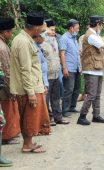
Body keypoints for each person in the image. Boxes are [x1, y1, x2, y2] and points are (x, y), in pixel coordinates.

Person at [10, 12, 50, 153]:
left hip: (33, 85)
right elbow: (25, 70)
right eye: (42, 28)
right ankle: (27, 145)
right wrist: (31, 93)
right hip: (28, 88)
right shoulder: (23, 42)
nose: (43, 31)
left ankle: (29, 143)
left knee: (32, 116)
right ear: (37, 28)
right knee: (29, 117)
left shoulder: (25, 39)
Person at [42, 19, 69, 125]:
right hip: (47, 74)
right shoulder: (42, 39)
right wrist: (45, 32)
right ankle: (49, 118)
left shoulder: (55, 40)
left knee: (56, 97)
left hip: (56, 72)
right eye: (51, 29)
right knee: (46, 99)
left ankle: (58, 117)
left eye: (54, 30)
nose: (53, 32)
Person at [0, 17, 21, 146]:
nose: (12, 34)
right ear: (5, 32)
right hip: (4, 85)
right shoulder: (2, 47)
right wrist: (11, 89)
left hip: (3, 83)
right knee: (8, 110)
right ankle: (7, 136)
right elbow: (7, 70)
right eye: (11, 32)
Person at [59, 19, 81, 117]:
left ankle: (72, 107)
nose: (78, 30)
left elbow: (76, 53)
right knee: (68, 89)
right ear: (71, 28)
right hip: (69, 68)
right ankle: (65, 109)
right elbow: (62, 54)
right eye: (77, 28)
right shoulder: (64, 38)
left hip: (76, 68)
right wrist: (64, 68)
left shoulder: (74, 38)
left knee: (76, 89)